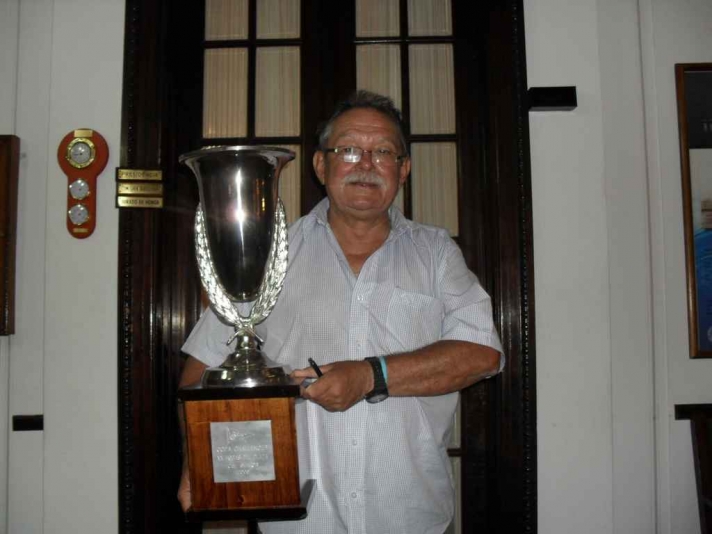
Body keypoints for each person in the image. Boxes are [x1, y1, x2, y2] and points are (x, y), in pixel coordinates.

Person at [178, 90, 503, 534]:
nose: (365, 164)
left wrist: (371, 376)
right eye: (348, 149)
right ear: (320, 165)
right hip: (297, 523)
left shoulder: (436, 253)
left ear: (403, 170)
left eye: (383, 152)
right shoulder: (267, 256)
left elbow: (482, 353)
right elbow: (199, 374)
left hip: (411, 517)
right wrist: (197, 464)